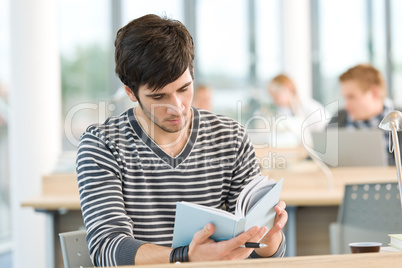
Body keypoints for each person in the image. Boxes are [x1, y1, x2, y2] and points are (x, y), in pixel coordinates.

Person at [76, 14, 287, 266]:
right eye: (158, 96)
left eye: (184, 89)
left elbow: (254, 249)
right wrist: (184, 256)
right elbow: (106, 250)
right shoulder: (102, 145)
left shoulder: (230, 136)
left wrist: (268, 239)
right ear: (131, 92)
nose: (177, 107)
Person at [328, 63, 399, 165]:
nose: (346, 105)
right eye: (345, 98)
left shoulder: (398, 119)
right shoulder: (338, 118)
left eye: (351, 97)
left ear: (375, 93)